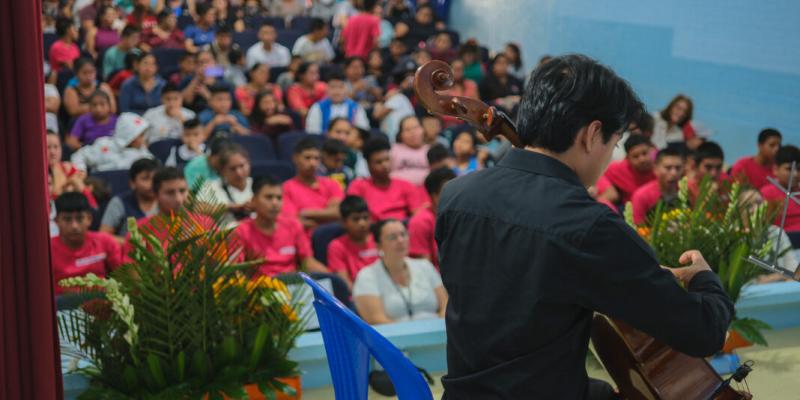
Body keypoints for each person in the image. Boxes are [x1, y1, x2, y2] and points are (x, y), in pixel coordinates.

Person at [436, 54, 734, 399]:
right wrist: (703, 278)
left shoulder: (457, 196)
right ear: (593, 134)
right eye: (615, 143)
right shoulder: (589, 226)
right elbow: (704, 333)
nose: (610, 156)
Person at [353, 219, 447, 324]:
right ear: (378, 245)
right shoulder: (367, 276)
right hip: (395, 338)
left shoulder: (425, 266)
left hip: (436, 334)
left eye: (403, 234)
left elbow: (445, 304)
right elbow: (376, 319)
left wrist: (440, 328)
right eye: (393, 237)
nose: (400, 240)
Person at [234, 176, 329, 277]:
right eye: (269, 197)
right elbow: (235, 269)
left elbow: (307, 261)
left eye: (279, 198)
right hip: (260, 289)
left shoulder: (293, 225)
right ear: (253, 200)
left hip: (293, 288)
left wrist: (334, 279)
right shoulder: (241, 231)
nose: (275, 203)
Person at [51, 192, 123, 295]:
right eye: (67, 219)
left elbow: (124, 279)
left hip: (102, 304)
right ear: (57, 221)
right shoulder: (46, 250)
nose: (74, 226)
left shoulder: (105, 242)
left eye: (79, 218)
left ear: (89, 219)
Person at [347, 137, 425, 221]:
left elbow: (417, 216)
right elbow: (354, 218)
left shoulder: (406, 185)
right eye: (378, 162)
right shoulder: (358, 186)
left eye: (387, 159)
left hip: (403, 228)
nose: (385, 165)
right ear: (368, 165)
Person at [282, 138, 345, 232]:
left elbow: (340, 213)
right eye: (307, 158)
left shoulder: (332, 184)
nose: (313, 163)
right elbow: (294, 222)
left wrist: (305, 212)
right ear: (295, 158)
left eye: (316, 158)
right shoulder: (286, 188)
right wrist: (327, 217)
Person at [71, 113, 155, 172]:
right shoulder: (103, 145)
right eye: (140, 136)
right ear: (129, 136)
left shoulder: (143, 154)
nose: (143, 139)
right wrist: (81, 171)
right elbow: (79, 156)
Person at [100, 158, 160, 238]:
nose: (152, 183)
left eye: (155, 178)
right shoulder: (119, 202)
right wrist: (130, 243)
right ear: (132, 183)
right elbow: (103, 236)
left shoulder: (165, 200)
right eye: (145, 178)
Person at [328, 195, 379, 288]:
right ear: (343, 222)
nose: (362, 223)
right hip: (356, 296)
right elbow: (345, 283)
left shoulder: (379, 240)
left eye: (365, 218)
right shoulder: (336, 246)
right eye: (356, 219)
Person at [409, 167, 455, 268]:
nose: (455, 196)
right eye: (450, 192)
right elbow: (423, 269)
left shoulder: (463, 216)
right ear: (434, 196)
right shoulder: (420, 222)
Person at [597, 135, 656, 206]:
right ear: (627, 158)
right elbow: (600, 174)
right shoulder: (619, 168)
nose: (642, 160)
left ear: (652, 151)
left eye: (644, 153)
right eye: (635, 156)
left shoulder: (662, 166)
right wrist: (607, 189)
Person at [631, 148, 686, 225]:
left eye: (678, 168)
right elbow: (638, 229)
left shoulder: (688, 191)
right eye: (668, 168)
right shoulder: (641, 196)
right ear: (655, 169)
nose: (674, 173)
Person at [305, 71, 370, 134]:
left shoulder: (356, 108)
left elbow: (363, 132)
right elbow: (313, 133)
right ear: (326, 89)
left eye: (340, 87)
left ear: (346, 89)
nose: (337, 92)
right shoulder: (317, 107)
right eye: (332, 87)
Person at [204, 144, 253, 221]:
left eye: (242, 166)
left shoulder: (259, 186)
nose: (238, 173)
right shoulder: (210, 187)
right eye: (232, 169)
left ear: (249, 163)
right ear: (222, 171)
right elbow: (199, 209)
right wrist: (231, 207)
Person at [373, 62, 416, 142]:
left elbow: (377, 115)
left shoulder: (398, 98)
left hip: (398, 141)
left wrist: (380, 103)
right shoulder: (400, 97)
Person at [761, 145, 800, 232]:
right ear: (775, 169)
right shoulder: (768, 193)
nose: (795, 174)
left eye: (798, 169)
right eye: (789, 169)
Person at [390, 116, 430, 186]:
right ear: (401, 134)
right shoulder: (394, 149)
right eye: (407, 130)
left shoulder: (431, 150)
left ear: (423, 129)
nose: (412, 132)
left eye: (415, 128)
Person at [47, 131, 87, 198]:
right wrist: (65, 186)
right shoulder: (39, 174)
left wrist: (77, 183)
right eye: (47, 147)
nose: (52, 152)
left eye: (56, 147)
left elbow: (91, 203)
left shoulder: (68, 168)